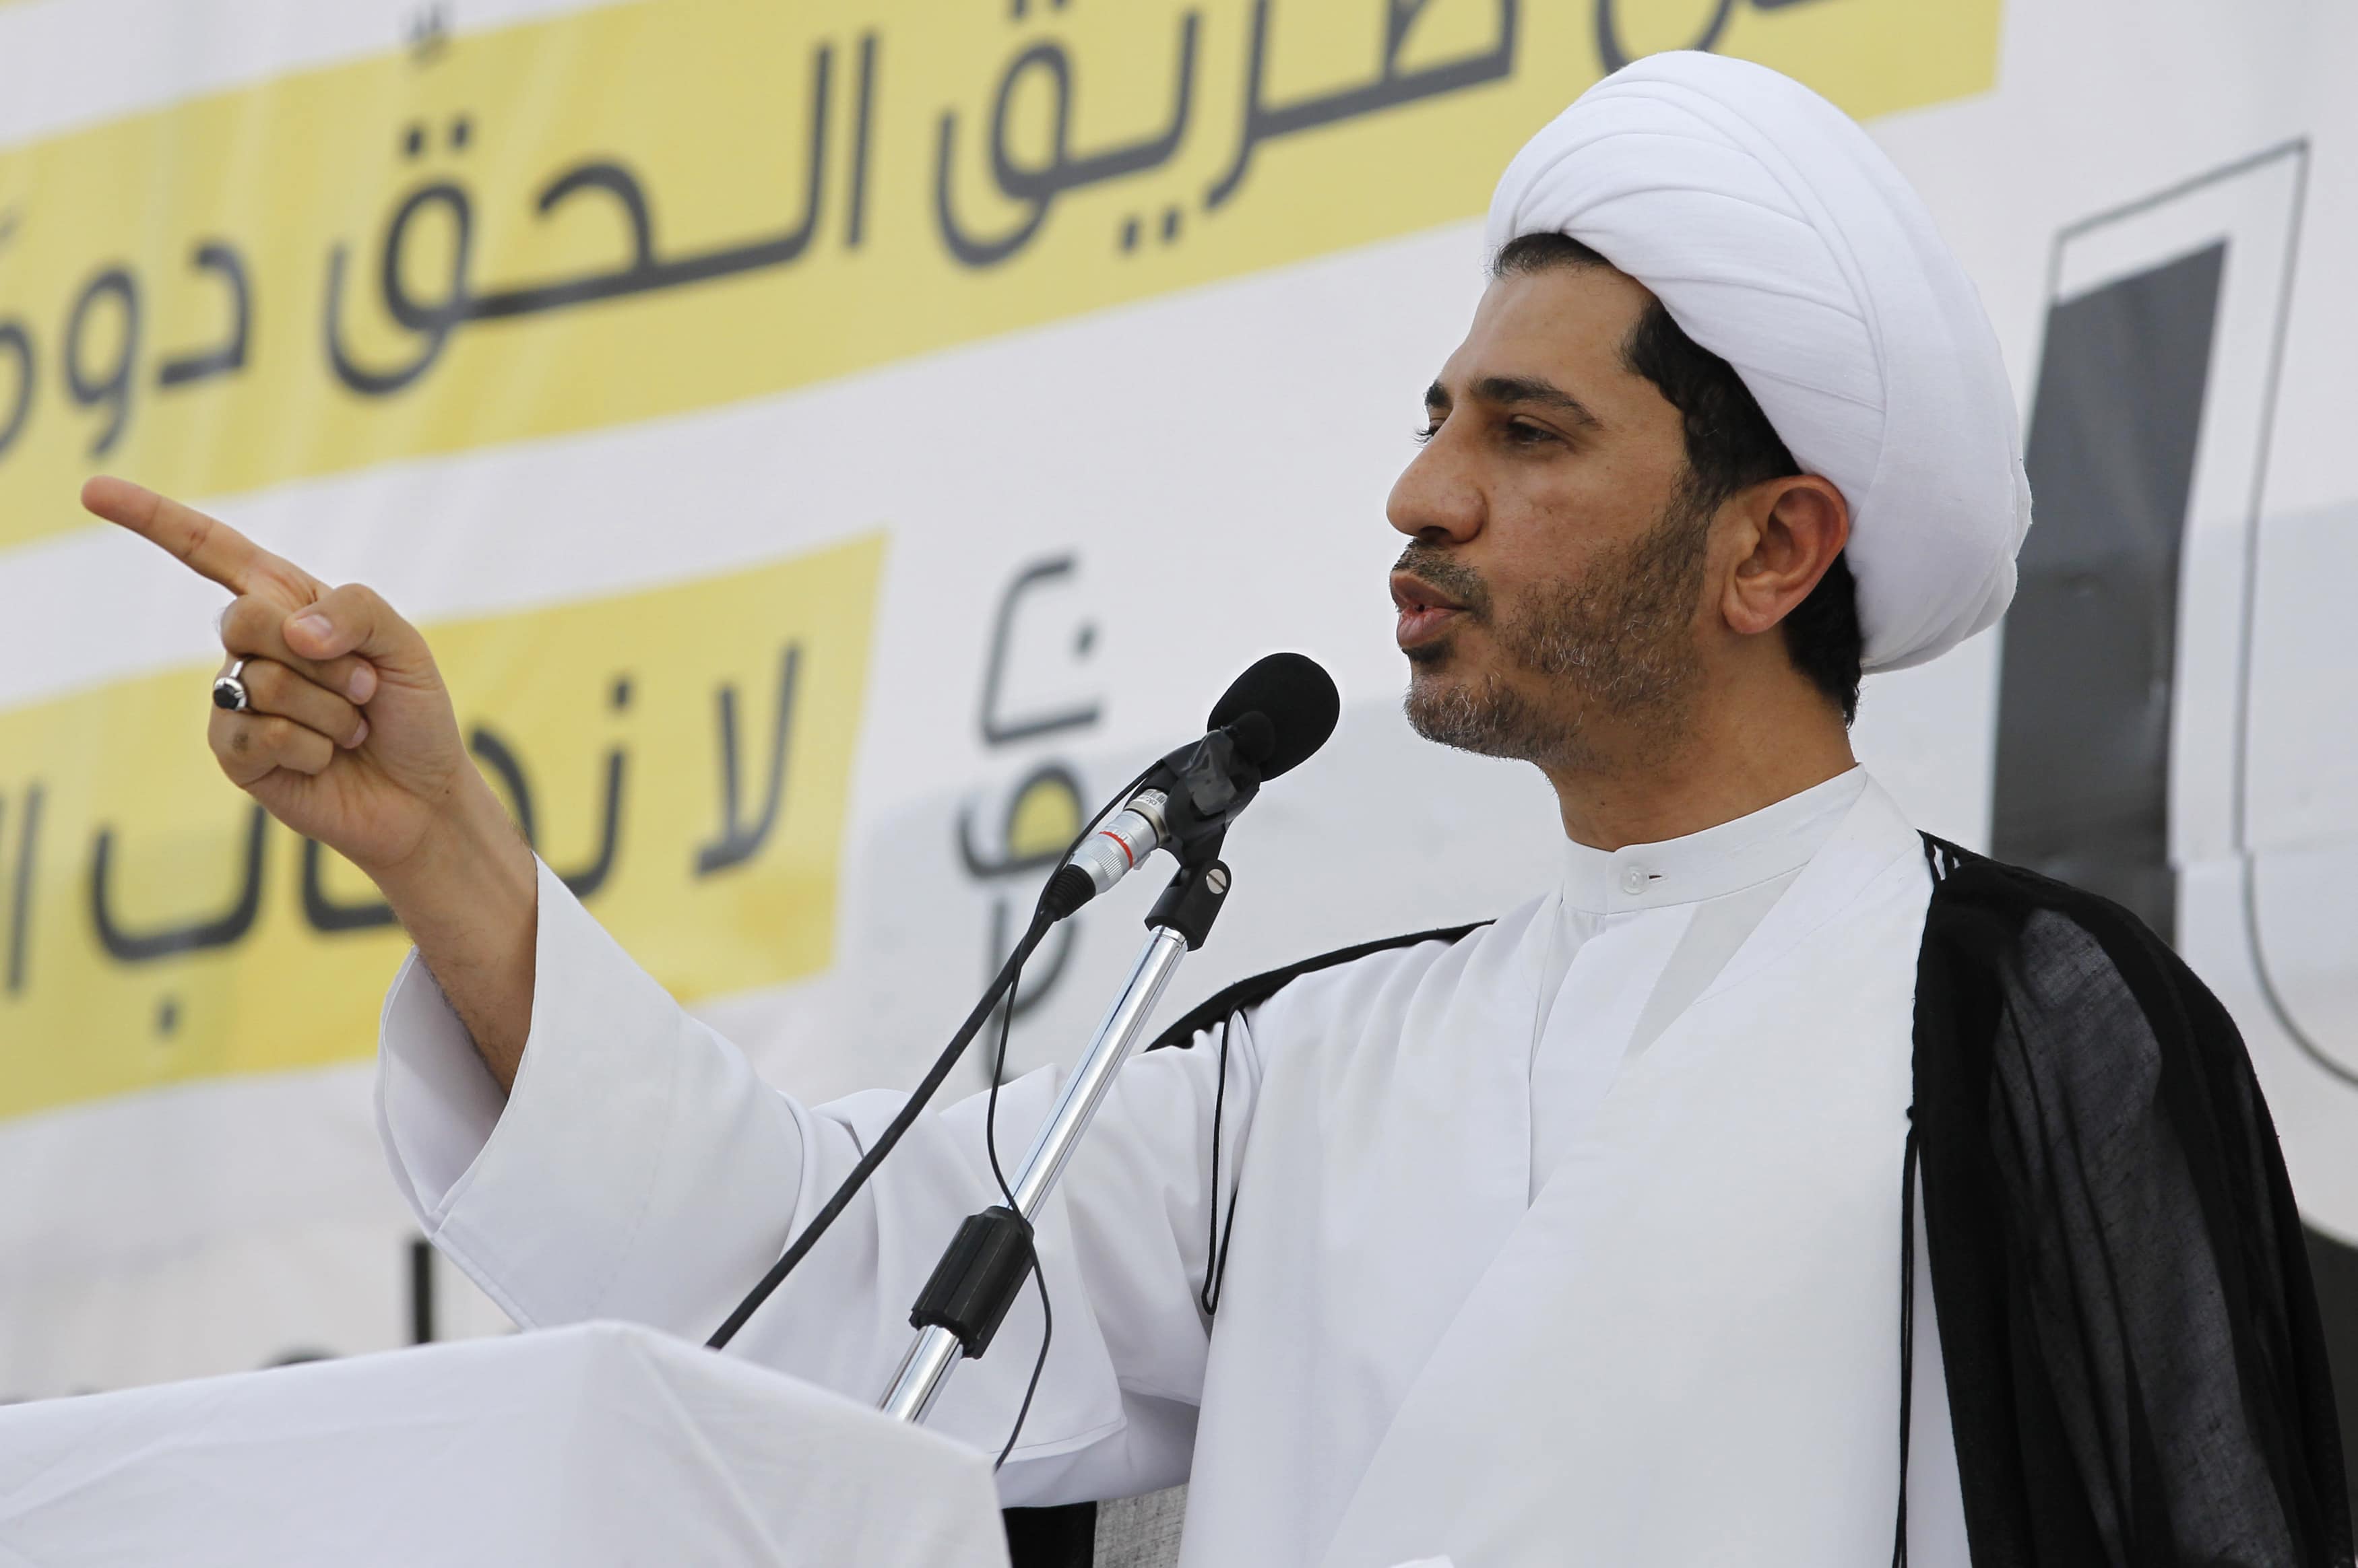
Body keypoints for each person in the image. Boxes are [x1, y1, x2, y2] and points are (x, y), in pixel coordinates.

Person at [88, 51, 2345, 1568]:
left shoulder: (2023, 1019)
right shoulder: (1310, 1067)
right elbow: (816, 1290)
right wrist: (446, 853)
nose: (1418, 491)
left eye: (1528, 437)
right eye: (1434, 412)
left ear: (1772, 550)